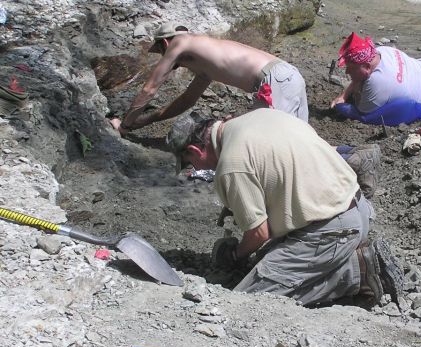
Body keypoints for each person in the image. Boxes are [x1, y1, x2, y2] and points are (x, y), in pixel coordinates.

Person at [165, 108, 404, 308]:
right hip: (357, 208)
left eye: (190, 163)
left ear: (195, 150)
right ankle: (341, 260)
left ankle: (357, 271)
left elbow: (259, 233)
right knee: (266, 261)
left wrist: (236, 255)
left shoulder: (231, 163)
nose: (194, 169)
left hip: (332, 230)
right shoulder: (259, 116)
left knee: (249, 301)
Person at [110, 22, 309, 135]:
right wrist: (145, 121)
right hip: (288, 75)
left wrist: (124, 125)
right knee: (302, 141)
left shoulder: (179, 41)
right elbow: (186, 101)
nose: (165, 57)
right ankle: (340, 155)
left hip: (274, 81)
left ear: (165, 43)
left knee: (274, 141)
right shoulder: (206, 64)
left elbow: (149, 89)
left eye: (162, 52)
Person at [330, 32, 421, 119]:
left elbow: (361, 113)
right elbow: (361, 76)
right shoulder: (383, 51)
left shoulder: (377, 86)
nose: (347, 72)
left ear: (367, 67)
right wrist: (344, 94)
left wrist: (344, 102)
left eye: (350, 68)